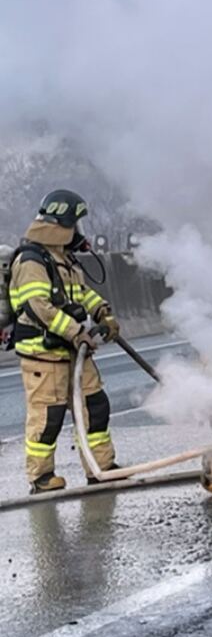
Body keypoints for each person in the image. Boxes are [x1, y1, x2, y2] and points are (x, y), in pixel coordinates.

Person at [8, 189, 119, 493]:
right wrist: (75, 331)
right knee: (48, 419)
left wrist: (103, 313)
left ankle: (102, 468)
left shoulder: (64, 260)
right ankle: (42, 478)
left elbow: (81, 294)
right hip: (44, 356)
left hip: (73, 353)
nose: (78, 233)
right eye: (76, 225)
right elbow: (39, 307)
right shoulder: (31, 261)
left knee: (95, 408)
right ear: (63, 224)